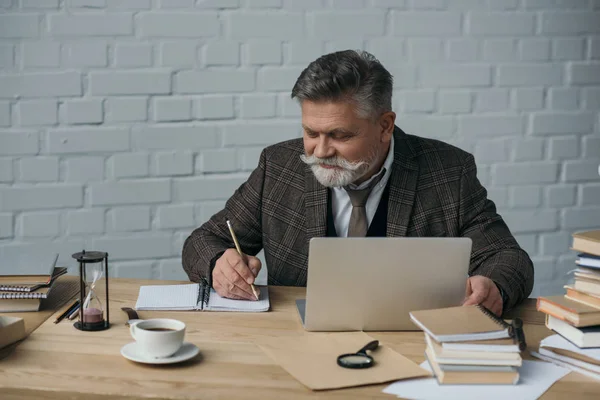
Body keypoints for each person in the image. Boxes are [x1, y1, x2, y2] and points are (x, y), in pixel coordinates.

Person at [182, 50, 534, 316]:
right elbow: (202, 241)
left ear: (385, 126)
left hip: (412, 341)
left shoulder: (449, 172)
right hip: (294, 342)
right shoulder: (278, 167)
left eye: (339, 134)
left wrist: (493, 286)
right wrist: (219, 265)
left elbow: (508, 258)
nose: (320, 150)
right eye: (310, 132)